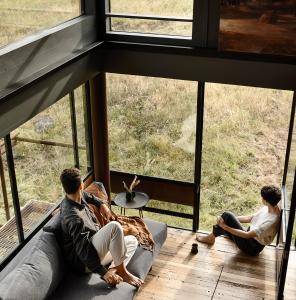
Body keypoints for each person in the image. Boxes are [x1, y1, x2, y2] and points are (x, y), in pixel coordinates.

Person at [59, 168, 143, 287]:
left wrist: (101, 204)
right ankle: (122, 273)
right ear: (82, 185)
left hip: (94, 250)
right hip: (84, 262)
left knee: (131, 241)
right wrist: (103, 273)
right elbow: (83, 252)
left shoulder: (76, 197)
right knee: (114, 226)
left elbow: (89, 197)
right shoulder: (73, 217)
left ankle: (114, 270)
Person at [196, 185, 281, 256]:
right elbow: (251, 218)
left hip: (251, 247)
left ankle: (210, 238)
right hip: (250, 237)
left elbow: (247, 235)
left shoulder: (271, 221)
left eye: (262, 197)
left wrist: (225, 226)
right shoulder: (270, 208)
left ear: (266, 201)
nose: (261, 199)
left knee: (227, 216)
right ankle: (215, 235)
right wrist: (227, 221)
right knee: (227, 218)